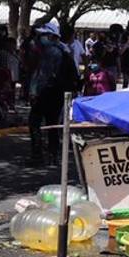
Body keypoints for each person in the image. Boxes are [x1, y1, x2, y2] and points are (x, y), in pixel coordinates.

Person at [27, 22, 79, 164]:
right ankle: (53, 155)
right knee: (53, 123)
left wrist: (34, 92)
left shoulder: (51, 52)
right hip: (58, 93)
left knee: (34, 121)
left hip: (46, 92)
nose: (38, 38)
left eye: (42, 35)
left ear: (51, 36)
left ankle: (37, 154)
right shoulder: (63, 50)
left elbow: (44, 74)